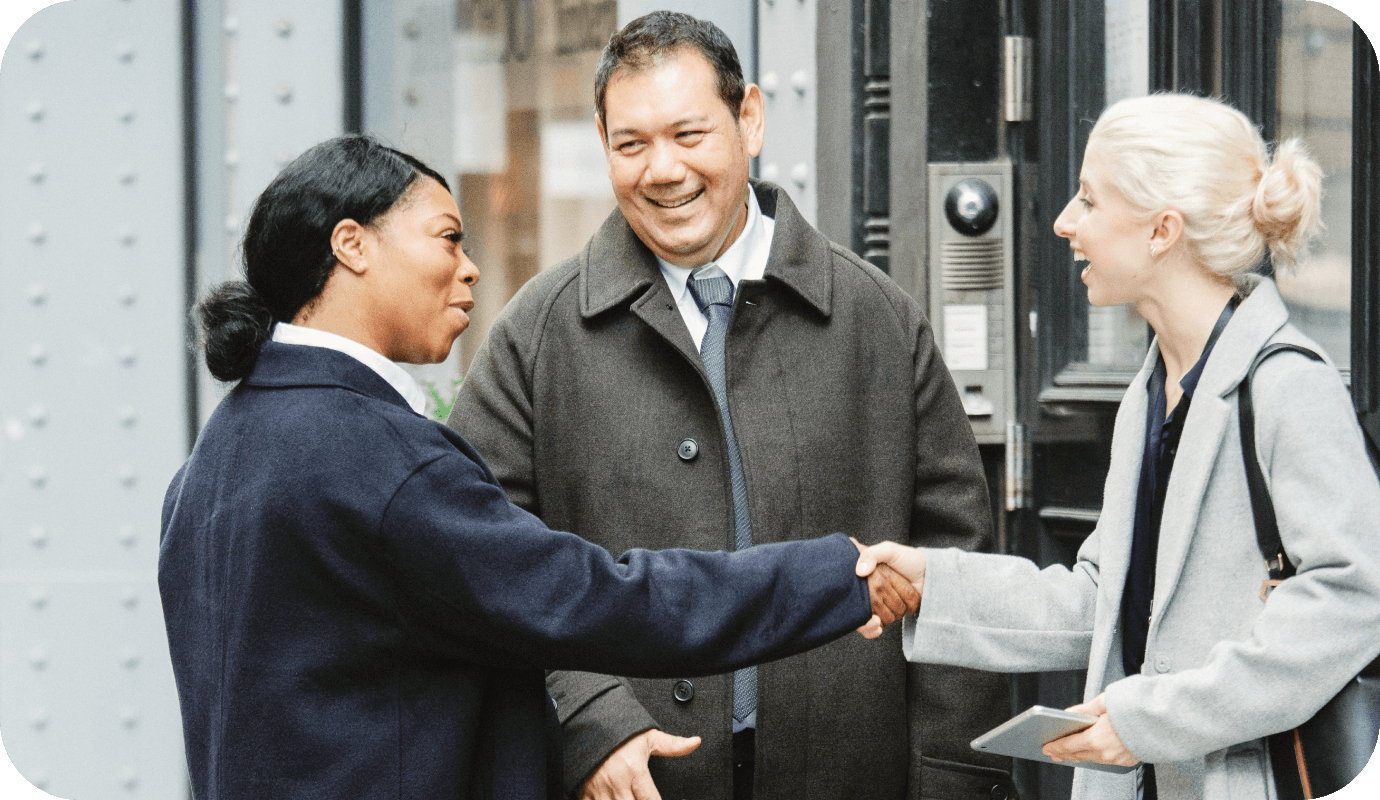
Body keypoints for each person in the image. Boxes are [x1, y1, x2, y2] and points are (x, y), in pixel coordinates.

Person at [157, 135, 920, 800]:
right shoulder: (374, 458)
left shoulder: (212, 463)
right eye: (448, 238)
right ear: (351, 244)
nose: (471, 270)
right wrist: (838, 576)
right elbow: (598, 600)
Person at [449, 11, 1011, 800]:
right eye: (631, 144)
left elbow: (958, 569)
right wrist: (589, 719)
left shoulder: (877, 317)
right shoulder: (536, 337)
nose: (663, 170)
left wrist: (955, 781)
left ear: (749, 118)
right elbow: (477, 566)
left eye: (689, 134)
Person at [856, 93, 1380, 800]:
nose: (1066, 223)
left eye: (1090, 200)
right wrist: (930, 584)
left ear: (1163, 229)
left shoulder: (1287, 384)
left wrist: (1148, 720)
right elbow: (1097, 602)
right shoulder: (1152, 389)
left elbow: (1356, 599)